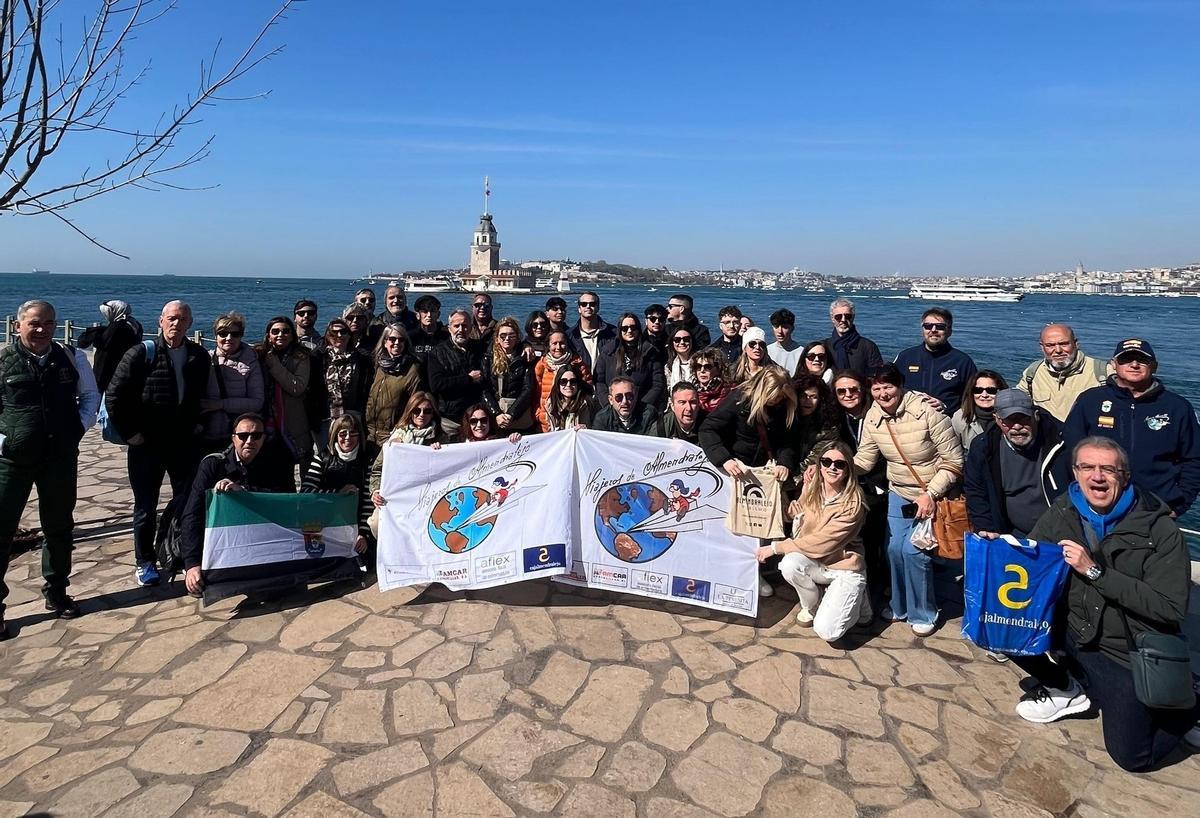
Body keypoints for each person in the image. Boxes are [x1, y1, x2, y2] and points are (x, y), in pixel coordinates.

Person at [1018, 437, 1200, 772]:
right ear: (1075, 472)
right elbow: (1031, 559)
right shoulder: (1063, 509)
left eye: (1108, 469)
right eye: (1087, 467)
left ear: (1125, 476)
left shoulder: (1160, 530)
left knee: (1132, 757)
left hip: (1123, 649)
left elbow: (1170, 607)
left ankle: (1191, 703)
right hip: (1077, 630)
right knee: (1005, 629)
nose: (1097, 476)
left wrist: (1093, 571)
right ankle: (1066, 687)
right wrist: (1000, 551)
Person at [0, 300, 100, 632]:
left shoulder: (71, 358)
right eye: (34, 323)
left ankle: (57, 592)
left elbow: (90, 396)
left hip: (59, 457)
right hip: (12, 461)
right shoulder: (2, 361)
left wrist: (79, 428)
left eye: (48, 323)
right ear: (18, 326)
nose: (42, 329)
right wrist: (4, 441)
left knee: (58, 527)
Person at [852, 363, 963, 636]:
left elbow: (954, 461)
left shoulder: (927, 412)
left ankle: (924, 611)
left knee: (914, 553)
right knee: (893, 550)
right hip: (899, 492)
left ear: (900, 386)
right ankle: (899, 605)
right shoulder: (873, 417)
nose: (882, 393)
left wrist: (931, 494)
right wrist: (835, 466)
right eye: (876, 388)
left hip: (931, 492)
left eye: (888, 386)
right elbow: (865, 460)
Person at [106, 300, 209, 587]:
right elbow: (114, 395)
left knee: (186, 501)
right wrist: (131, 434)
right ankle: (145, 561)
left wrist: (198, 424)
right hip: (146, 445)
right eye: (172, 318)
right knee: (145, 507)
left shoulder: (198, 355)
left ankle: (177, 551)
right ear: (160, 321)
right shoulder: (141, 353)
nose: (177, 323)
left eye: (183, 319)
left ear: (190, 323)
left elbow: (200, 395)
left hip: (182, 443)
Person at [1064, 338, 1200, 518]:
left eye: (1142, 360)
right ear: (1113, 364)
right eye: (1126, 359)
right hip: (1096, 506)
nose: (1134, 364)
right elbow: (1070, 451)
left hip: (1155, 510)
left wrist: (1179, 504)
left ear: (1154, 366)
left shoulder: (1177, 407)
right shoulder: (1090, 401)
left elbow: (1194, 459)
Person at [699, 367, 797, 597]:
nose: (777, 402)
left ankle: (755, 574)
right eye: (773, 398)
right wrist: (724, 459)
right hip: (738, 470)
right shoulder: (738, 399)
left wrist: (785, 462)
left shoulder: (784, 405)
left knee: (760, 528)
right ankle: (735, 573)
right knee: (737, 528)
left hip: (766, 473)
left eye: (781, 397)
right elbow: (708, 428)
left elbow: (788, 440)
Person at [179, 413, 294, 597]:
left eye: (256, 436)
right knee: (206, 583)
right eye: (243, 436)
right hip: (220, 539)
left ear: (264, 438)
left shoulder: (277, 463)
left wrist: (244, 493)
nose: (249, 441)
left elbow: (288, 503)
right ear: (233, 438)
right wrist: (192, 564)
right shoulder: (212, 465)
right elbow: (192, 514)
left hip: (259, 534)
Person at [765, 441, 870, 639]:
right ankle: (813, 605)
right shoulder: (813, 487)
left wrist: (776, 547)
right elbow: (798, 515)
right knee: (788, 565)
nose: (832, 467)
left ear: (848, 469)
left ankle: (860, 599)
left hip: (844, 566)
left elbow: (822, 542)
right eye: (826, 461)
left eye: (840, 464)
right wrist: (792, 511)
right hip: (816, 562)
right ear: (819, 464)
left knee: (828, 632)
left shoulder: (854, 502)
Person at [964, 389, 1069, 540]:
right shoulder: (983, 447)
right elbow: (976, 491)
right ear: (997, 420)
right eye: (1009, 420)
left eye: (1023, 419)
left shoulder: (1062, 443)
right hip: (1011, 536)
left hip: (1059, 535)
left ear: (1036, 416)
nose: (1017, 426)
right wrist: (986, 527)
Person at [832, 369, 888, 614]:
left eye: (853, 389)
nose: (848, 395)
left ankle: (878, 584)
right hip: (850, 484)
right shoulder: (836, 417)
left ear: (863, 389)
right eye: (841, 391)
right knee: (855, 538)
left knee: (879, 539)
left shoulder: (877, 413)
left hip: (880, 483)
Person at [301, 414, 374, 569]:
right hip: (326, 523)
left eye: (353, 433)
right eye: (343, 433)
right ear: (335, 435)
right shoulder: (322, 458)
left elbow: (368, 500)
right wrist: (337, 494)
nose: (348, 438)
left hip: (354, 523)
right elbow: (306, 492)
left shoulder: (366, 460)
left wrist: (363, 533)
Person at [368, 392, 445, 524]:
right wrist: (375, 491)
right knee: (376, 523)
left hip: (426, 498)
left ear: (433, 413)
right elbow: (377, 470)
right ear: (410, 411)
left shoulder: (442, 437)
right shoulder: (396, 437)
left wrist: (441, 454)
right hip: (397, 494)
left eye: (427, 411)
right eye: (416, 410)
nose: (421, 415)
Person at [258, 316, 313, 487]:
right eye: (275, 331)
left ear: (292, 335)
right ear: (268, 335)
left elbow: (297, 387)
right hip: (267, 423)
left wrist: (273, 364)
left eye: (285, 331)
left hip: (293, 424)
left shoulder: (302, 356)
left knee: (301, 475)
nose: (280, 334)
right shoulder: (259, 354)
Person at [893, 306, 977, 415]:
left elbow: (972, 397)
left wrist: (946, 407)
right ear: (922, 330)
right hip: (910, 422)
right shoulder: (905, 357)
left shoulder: (963, 361)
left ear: (949, 331)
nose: (933, 330)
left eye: (940, 327)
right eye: (928, 326)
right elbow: (890, 389)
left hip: (948, 422)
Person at [201, 312, 265, 452]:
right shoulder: (204, 360)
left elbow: (257, 402)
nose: (228, 338)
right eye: (223, 333)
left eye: (235, 334)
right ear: (215, 336)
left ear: (241, 336)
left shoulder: (251, 362)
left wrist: (220, 405)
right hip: (206, 434)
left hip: (239, 437)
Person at [1016, 323, 1107, 422]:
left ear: (1076, 344)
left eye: (1064, 344)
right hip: (1048, 437)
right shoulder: (1033, 373)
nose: (1058, 350)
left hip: (1089, 437)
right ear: (1042, 347)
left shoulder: (1102, 372)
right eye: (1050, 345)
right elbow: (1016, 402)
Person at [314, 318, 375, 444]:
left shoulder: (361, 358)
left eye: (343, 332)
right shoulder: (318, 358)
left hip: (353, 416)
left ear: (349, 335)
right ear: (327, 336)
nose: (339, 335)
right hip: (326, 417)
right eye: (333, 333)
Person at [427, 308, 485, 437]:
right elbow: (436, 385)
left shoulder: (481, 348)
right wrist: (468, 379)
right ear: (449, 329)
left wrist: (526, 347)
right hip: (450, 420)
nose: (461, 330)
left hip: (476, 419)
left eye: (464, 326)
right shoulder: (437, 352)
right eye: (456, 326)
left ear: (471, 328)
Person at [364, 324, 423, 448]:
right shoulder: (376, 365)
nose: (397, 343)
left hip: (392, 434)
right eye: (392, 339)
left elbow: (414, 405)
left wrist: (400, 430)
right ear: (385, 342)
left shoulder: (412, 369)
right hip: (369, 432)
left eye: (401, 340)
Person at [594, 313, 666, 411]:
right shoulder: (608, 351)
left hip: (642, 410)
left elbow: (657, 384)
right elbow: (599, 381)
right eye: (625, 328)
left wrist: (642, 407)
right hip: (612, 409)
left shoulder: (650, 352)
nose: (629, 331)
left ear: (638, 329)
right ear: (620, 330)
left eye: (633, 327)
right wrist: (608, 405)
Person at [482, 317, 535, 433]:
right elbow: (484, 389)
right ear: (497, 338)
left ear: (517, 338)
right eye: (503, 335)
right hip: (496, 414)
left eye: (511, 335)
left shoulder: (525, 357)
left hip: (519, 415)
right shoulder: (488, 358)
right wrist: (496, 413)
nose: (507, 339)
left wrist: (512, 413)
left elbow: (528, 388)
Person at [78, 299, 143, 392]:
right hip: (127, 369)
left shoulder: (117, 327)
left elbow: (99, 342)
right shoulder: (135, 325)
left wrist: (95, 331)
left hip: (108, 374)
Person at [534, 331, 592, 432]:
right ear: (549, 345)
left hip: (575, 419)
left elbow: (588, 389)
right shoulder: (542, 365)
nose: (558, 347)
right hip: (547, 422)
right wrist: (540, 415)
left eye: (562, 343)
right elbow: (536, 393)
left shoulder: (578, 364)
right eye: (554, 343)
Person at [792, 372, 842, 471]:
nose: (808, 401)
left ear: (820, 400)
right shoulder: (784, 419)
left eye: (813, 397)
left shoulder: (828, 427)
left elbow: (813, 461)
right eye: (803, 396)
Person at [951, 369, 1008, 453]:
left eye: (991, 390)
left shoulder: (1011, 417)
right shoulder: (960, 418)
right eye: (978, 390)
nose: (984, 395)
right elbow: (954, 452)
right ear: (971, 392)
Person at [825, 297, 884, 377]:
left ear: (853, 317)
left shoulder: (868, 347)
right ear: (832, 319)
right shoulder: (824, 347)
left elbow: (877, 377)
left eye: (847, 316)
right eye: (838, 317)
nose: (843, 320)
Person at [592, 375, 661, 435]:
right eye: (619, 397)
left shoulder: (649, 414)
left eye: (629, 397)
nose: (624, 402)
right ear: (610, 400)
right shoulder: (602, 418)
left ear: (636, 397)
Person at [569, 291, 615, 371]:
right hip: (580, 382)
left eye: (592, 304)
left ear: (598, 307)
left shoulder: (613, 333)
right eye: (584, 304)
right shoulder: (570, 335)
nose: (588, 307)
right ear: (579, 309)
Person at [543, 364, 595, 432]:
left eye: (573, 381)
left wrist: (587, 428)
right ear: (558, 384)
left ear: (578, 383)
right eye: (563, 382)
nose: (568, 385)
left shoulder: (588, 404)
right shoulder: (551, 405)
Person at [410, 295, 448, 367]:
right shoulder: (411, 337)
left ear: (438, 314)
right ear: (418, 315)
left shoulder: (447, 336)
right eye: (425, 311)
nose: (429, 315)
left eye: (433, 311)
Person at [692, 348, 732, 413]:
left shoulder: (729, 392)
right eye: (698, 366)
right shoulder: (691, 391)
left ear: (718, 368)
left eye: (707, 367)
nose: (702, 371)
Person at [458, 404, 523, 444]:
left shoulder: (501, 441)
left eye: (484, 420)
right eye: (473, 421)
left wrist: (515, 439)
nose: (479, 425)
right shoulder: (459, 444)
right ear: (468, 424)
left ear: (490, 422)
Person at [766, 308, 802, 376]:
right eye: (776, 327)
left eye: (785, 327)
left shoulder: (801, 352)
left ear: (792, 328)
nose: (780, 331)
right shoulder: (767, 350)